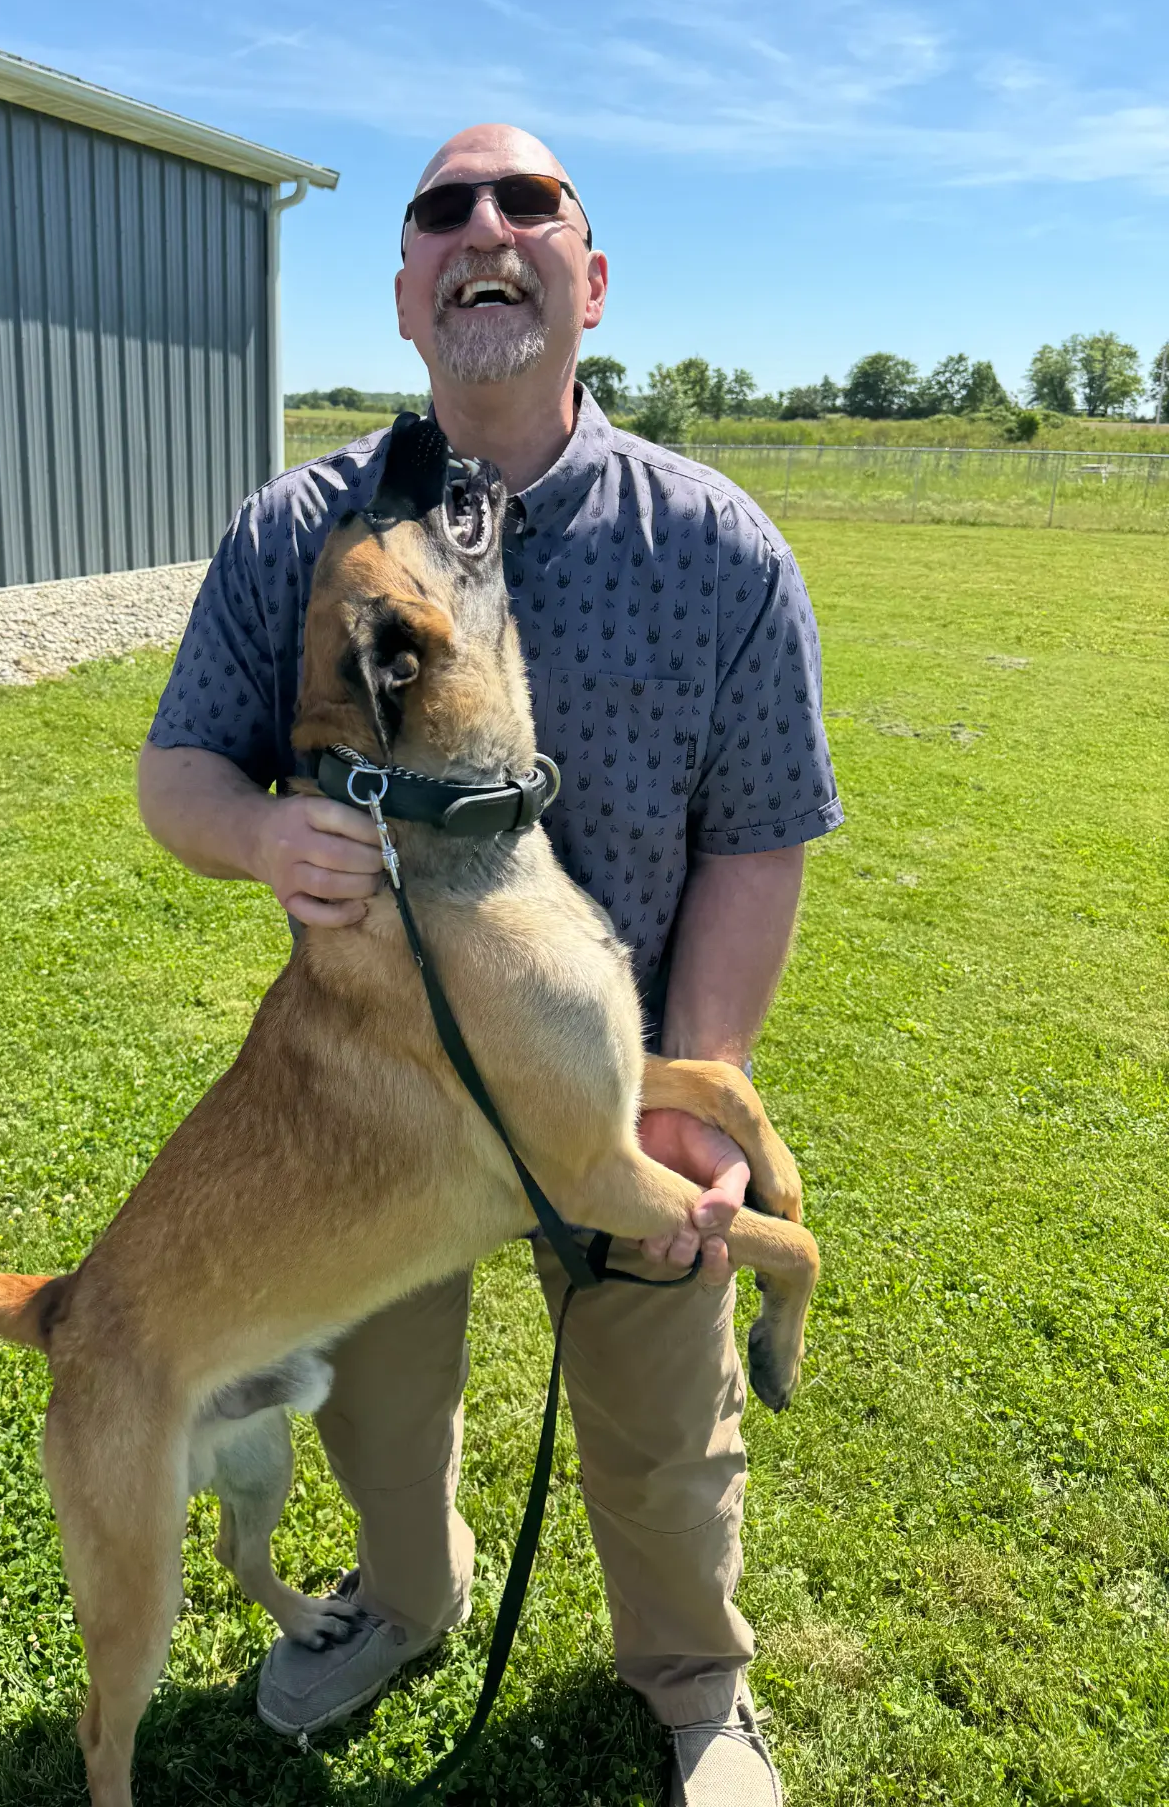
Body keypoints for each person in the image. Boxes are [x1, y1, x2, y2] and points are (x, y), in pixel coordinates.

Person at [135, 124, 842, 1805]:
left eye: (533, 205)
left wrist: (702, 1077)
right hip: (379, 1101)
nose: (486, 228)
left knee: (663, 1430)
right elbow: (181, 770)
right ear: (403, 295)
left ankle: (695, 1692)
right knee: (380, 1410)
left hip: (620, 1079)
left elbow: (761, 835)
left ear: (591, 284)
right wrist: (254, 835)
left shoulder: (719, 550)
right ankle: (404, 1604)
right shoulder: (299, 531)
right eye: (443, 210)